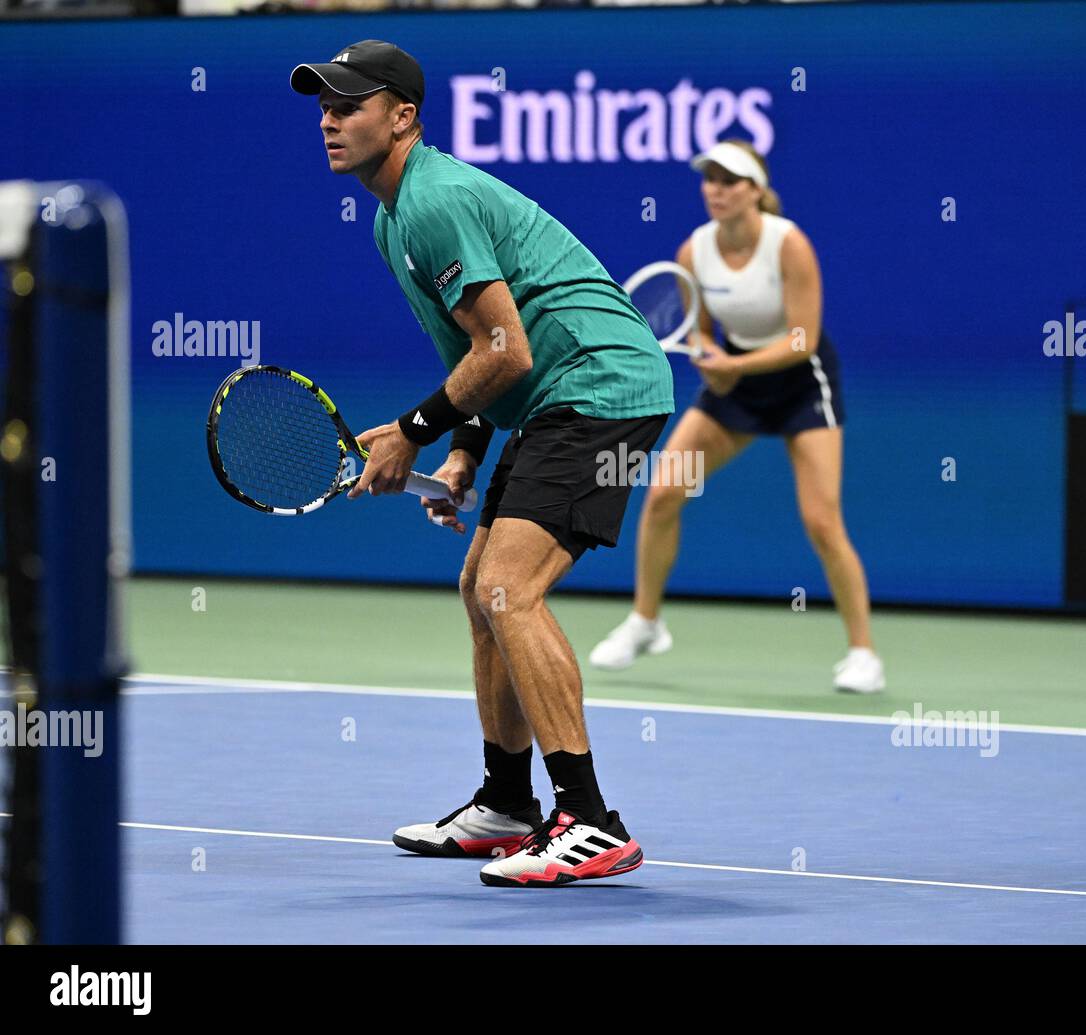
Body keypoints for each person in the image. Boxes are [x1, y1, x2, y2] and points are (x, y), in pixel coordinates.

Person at [291, 40, 674, 886]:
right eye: (322, 105)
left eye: (348, 105)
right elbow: (482, 356)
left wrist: (412, 431)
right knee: (481, 589)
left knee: (511, 587)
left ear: (403, 117)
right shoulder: (394, 218)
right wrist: (462, 450)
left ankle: (590, 819)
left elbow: (508, 349)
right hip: (553, 395)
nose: (328, 120)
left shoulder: (432, 202)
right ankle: (509, 803)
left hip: (602, 384)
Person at [589, 140, 885, 693]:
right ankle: (646, 622)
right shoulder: (693, 251)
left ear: (755, 190)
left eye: (730, 181)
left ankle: (863, 653)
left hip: (803, 386)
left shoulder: (789, 244)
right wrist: (710, 359)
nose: (716, 190)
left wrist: (734, 364)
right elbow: (697, 323)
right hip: (738, 388)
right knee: (663, 494)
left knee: (822, 520)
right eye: (710, 180)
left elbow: (803, 338)